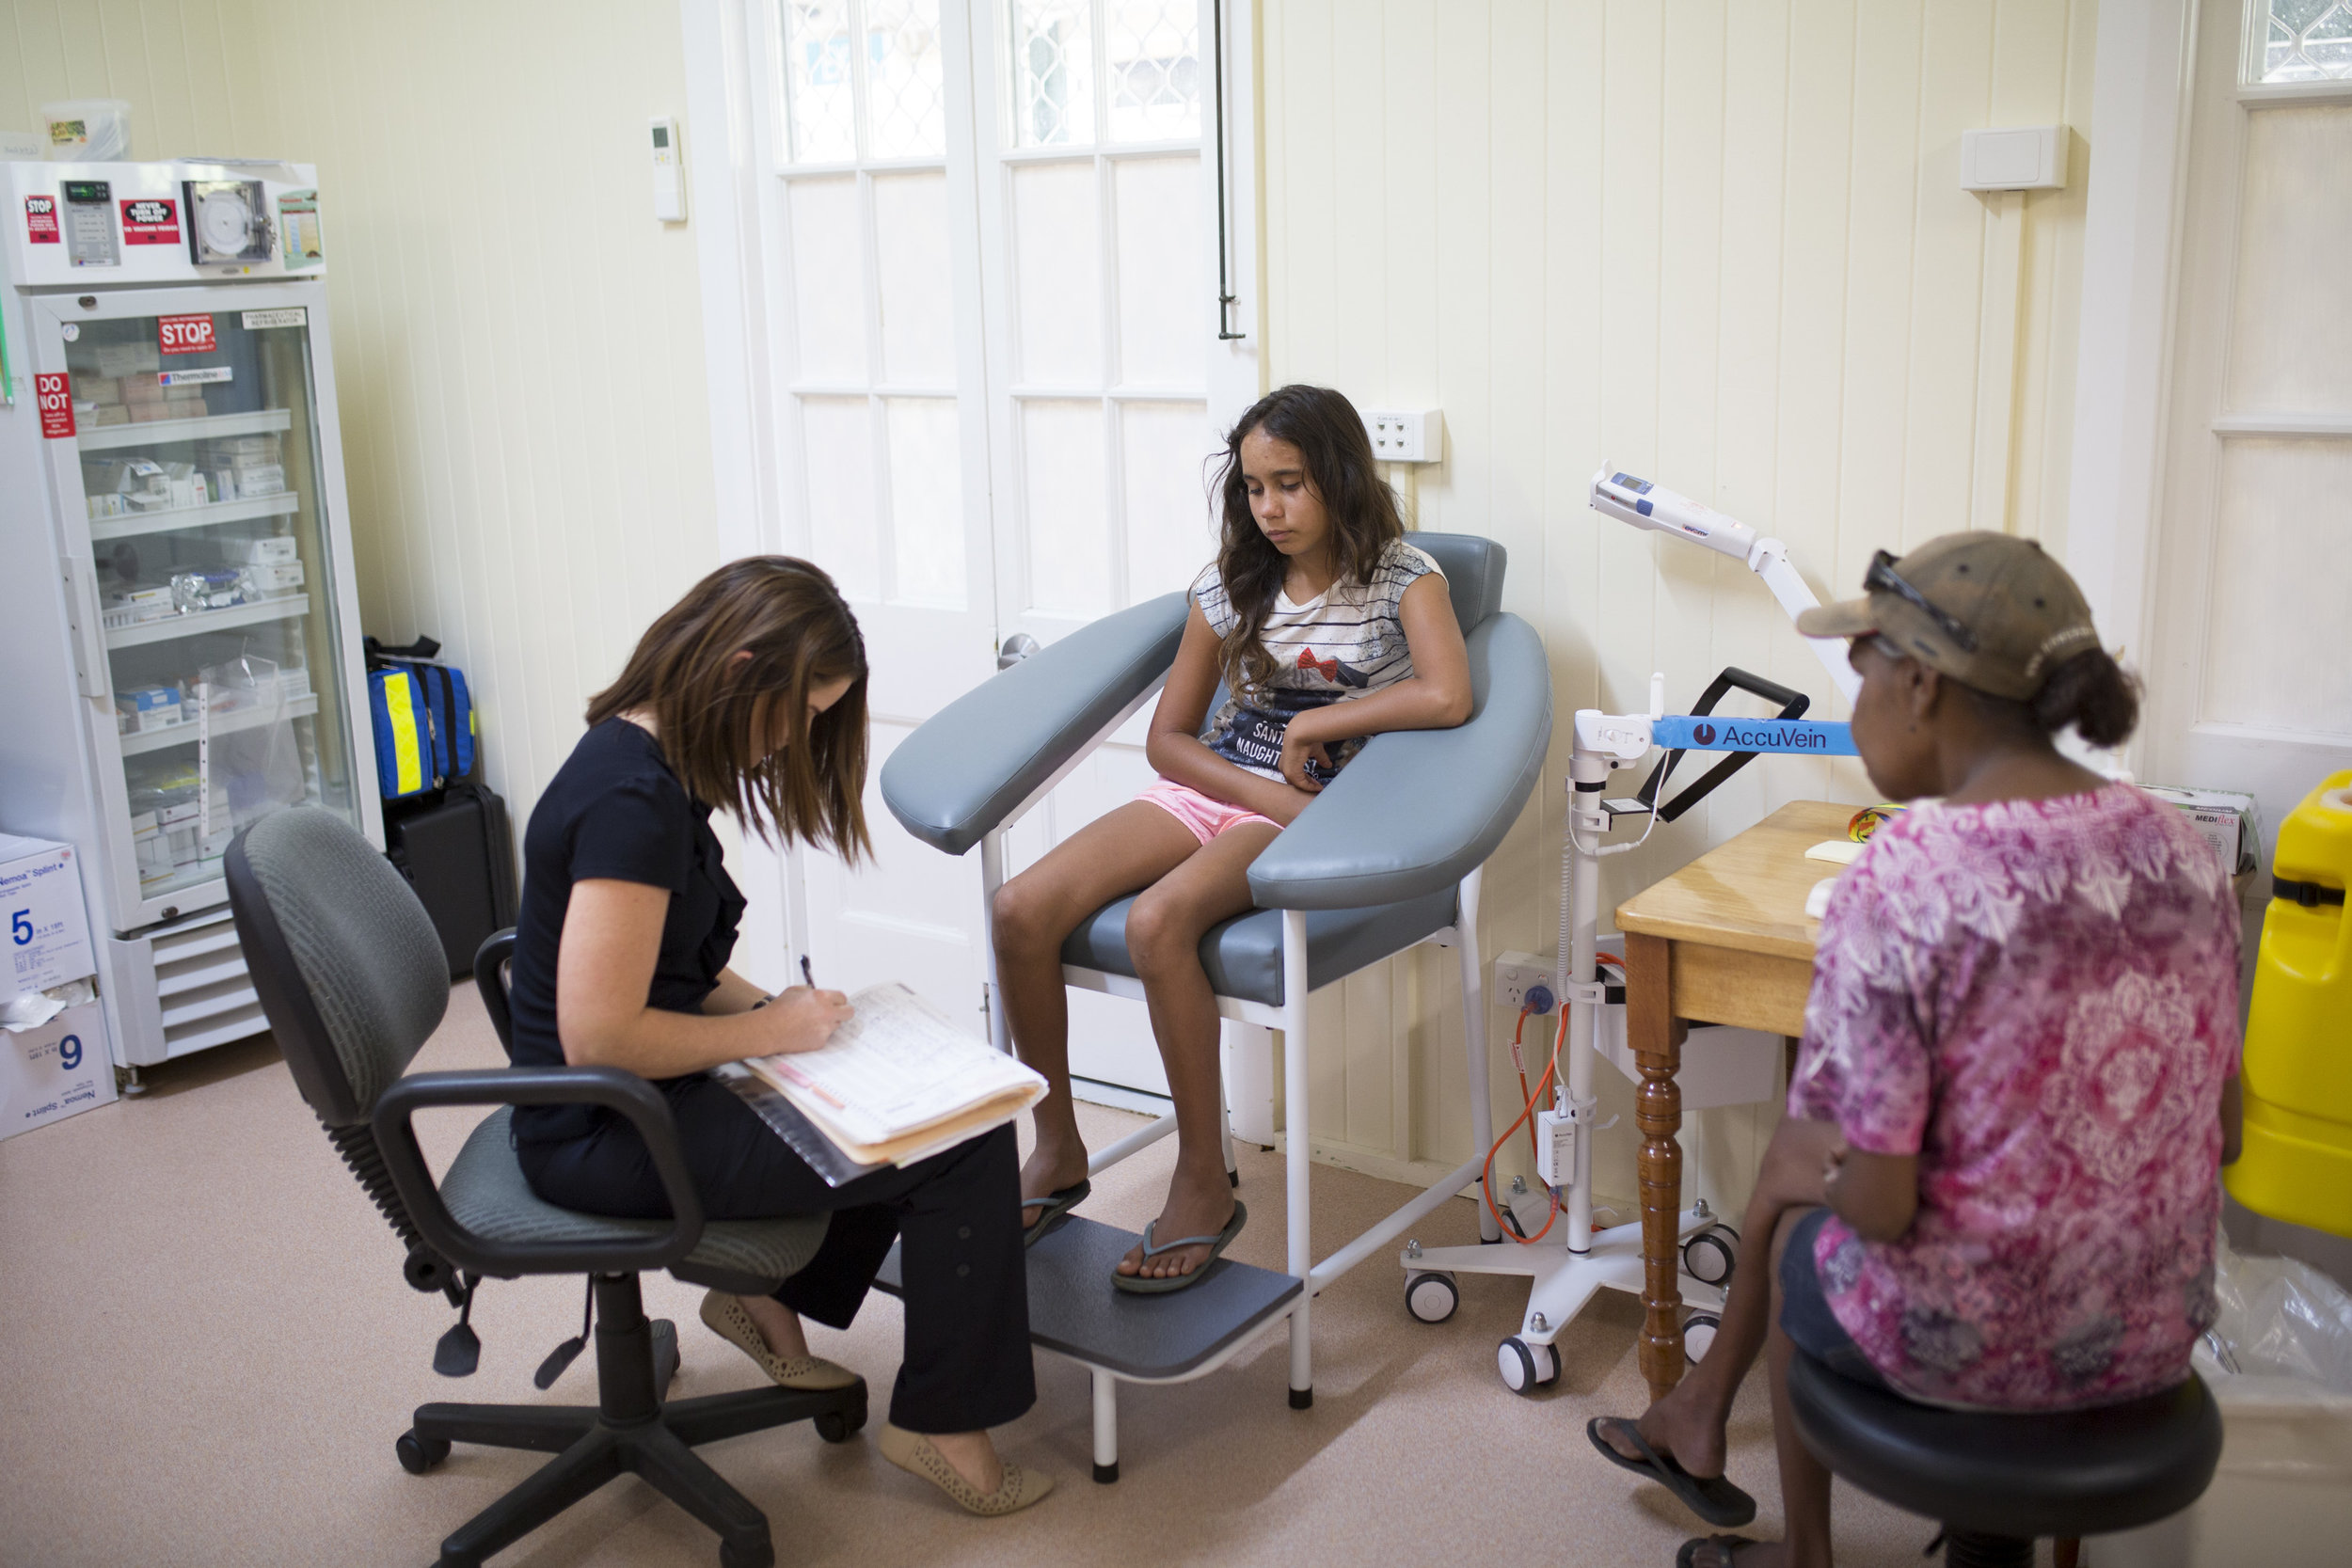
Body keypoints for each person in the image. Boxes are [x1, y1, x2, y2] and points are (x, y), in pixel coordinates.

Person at [1587, 533, 2243, 1568]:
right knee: (1823, 1167)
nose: (1855, 699)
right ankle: (1971, 1536)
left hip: (1978, 1342)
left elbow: (1884, 1204)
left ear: (1921, 683)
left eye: (1861, 671)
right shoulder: (2179, 848)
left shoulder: (1906, 874)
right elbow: (2227, 1129)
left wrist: (1833, 1161)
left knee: (1805, 1197)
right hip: (2153, 1331)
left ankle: (1798, 1540)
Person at [503, 556, 1051, 1516]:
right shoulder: (633, 804)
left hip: (624, 1099)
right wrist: (767, 1029)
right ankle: (944, 1423)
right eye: (802, 711)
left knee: (881, 1091)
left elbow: (670, 963)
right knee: (961, 1140)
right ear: (741, 666)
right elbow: (599, 1033)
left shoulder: (642, 756)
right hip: (600, 1126)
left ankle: (764, 1290)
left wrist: (796, 1024)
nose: (796, 738)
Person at [991, 384, 1473, 1290]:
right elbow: (1167, 739)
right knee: (1019, 909)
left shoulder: (1401, 578)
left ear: (1337, 475)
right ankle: (1056, 1144)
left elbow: (1450, 695)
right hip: (1224, 787)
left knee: (1158, 922)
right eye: (1254, 488)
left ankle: (1203, 1180)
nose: (1270, 509)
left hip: (1314, 815)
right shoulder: (1229, 584)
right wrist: (1255, 771)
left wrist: (1315, 729)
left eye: (1290, 483)